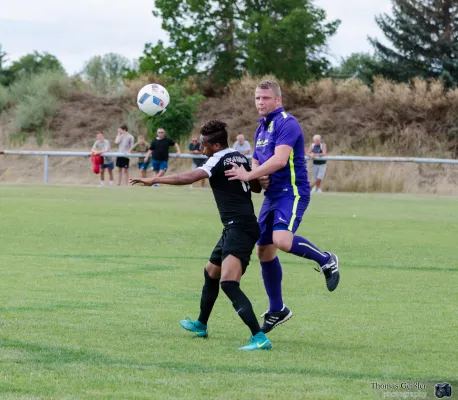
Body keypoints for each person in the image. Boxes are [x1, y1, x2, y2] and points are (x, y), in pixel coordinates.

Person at [130, 120, 272, 351]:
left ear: (215, 146)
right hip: (234, 227)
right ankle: (201, 324)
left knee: (228, 283)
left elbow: (188, 178)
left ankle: (259, 337)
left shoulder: (215, 159)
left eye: (204, 144)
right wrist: (257, 177)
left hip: (241, 228)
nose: (200, 148)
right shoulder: (238, 156)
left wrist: (155, 179)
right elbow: (255, 188)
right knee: (211, 272)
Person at [225, 80, 340, 333]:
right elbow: (257, 160)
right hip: (272, 195)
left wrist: (248, 176)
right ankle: (277, 309)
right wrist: (256, 174)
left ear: (278, 100)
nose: (260, 102)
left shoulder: (288, 123)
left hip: (292, 191)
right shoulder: (260, 129)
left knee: (282, 241)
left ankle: (326, 260)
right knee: (264, 251)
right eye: (257, 98)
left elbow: (279, 160)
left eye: (265, 98)